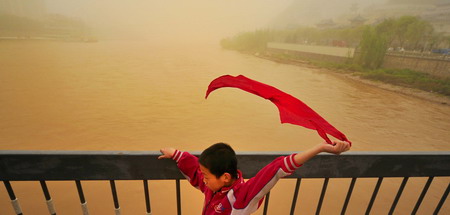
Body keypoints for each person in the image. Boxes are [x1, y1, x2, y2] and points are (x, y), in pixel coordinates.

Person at [158, 140, 350, 215]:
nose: (204, 180)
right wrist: (176, 154)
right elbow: (195, 172)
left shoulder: (242, 197)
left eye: (207, 176)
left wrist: (321, 148)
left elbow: (277, 168)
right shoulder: (213, 187)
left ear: (225, 177)